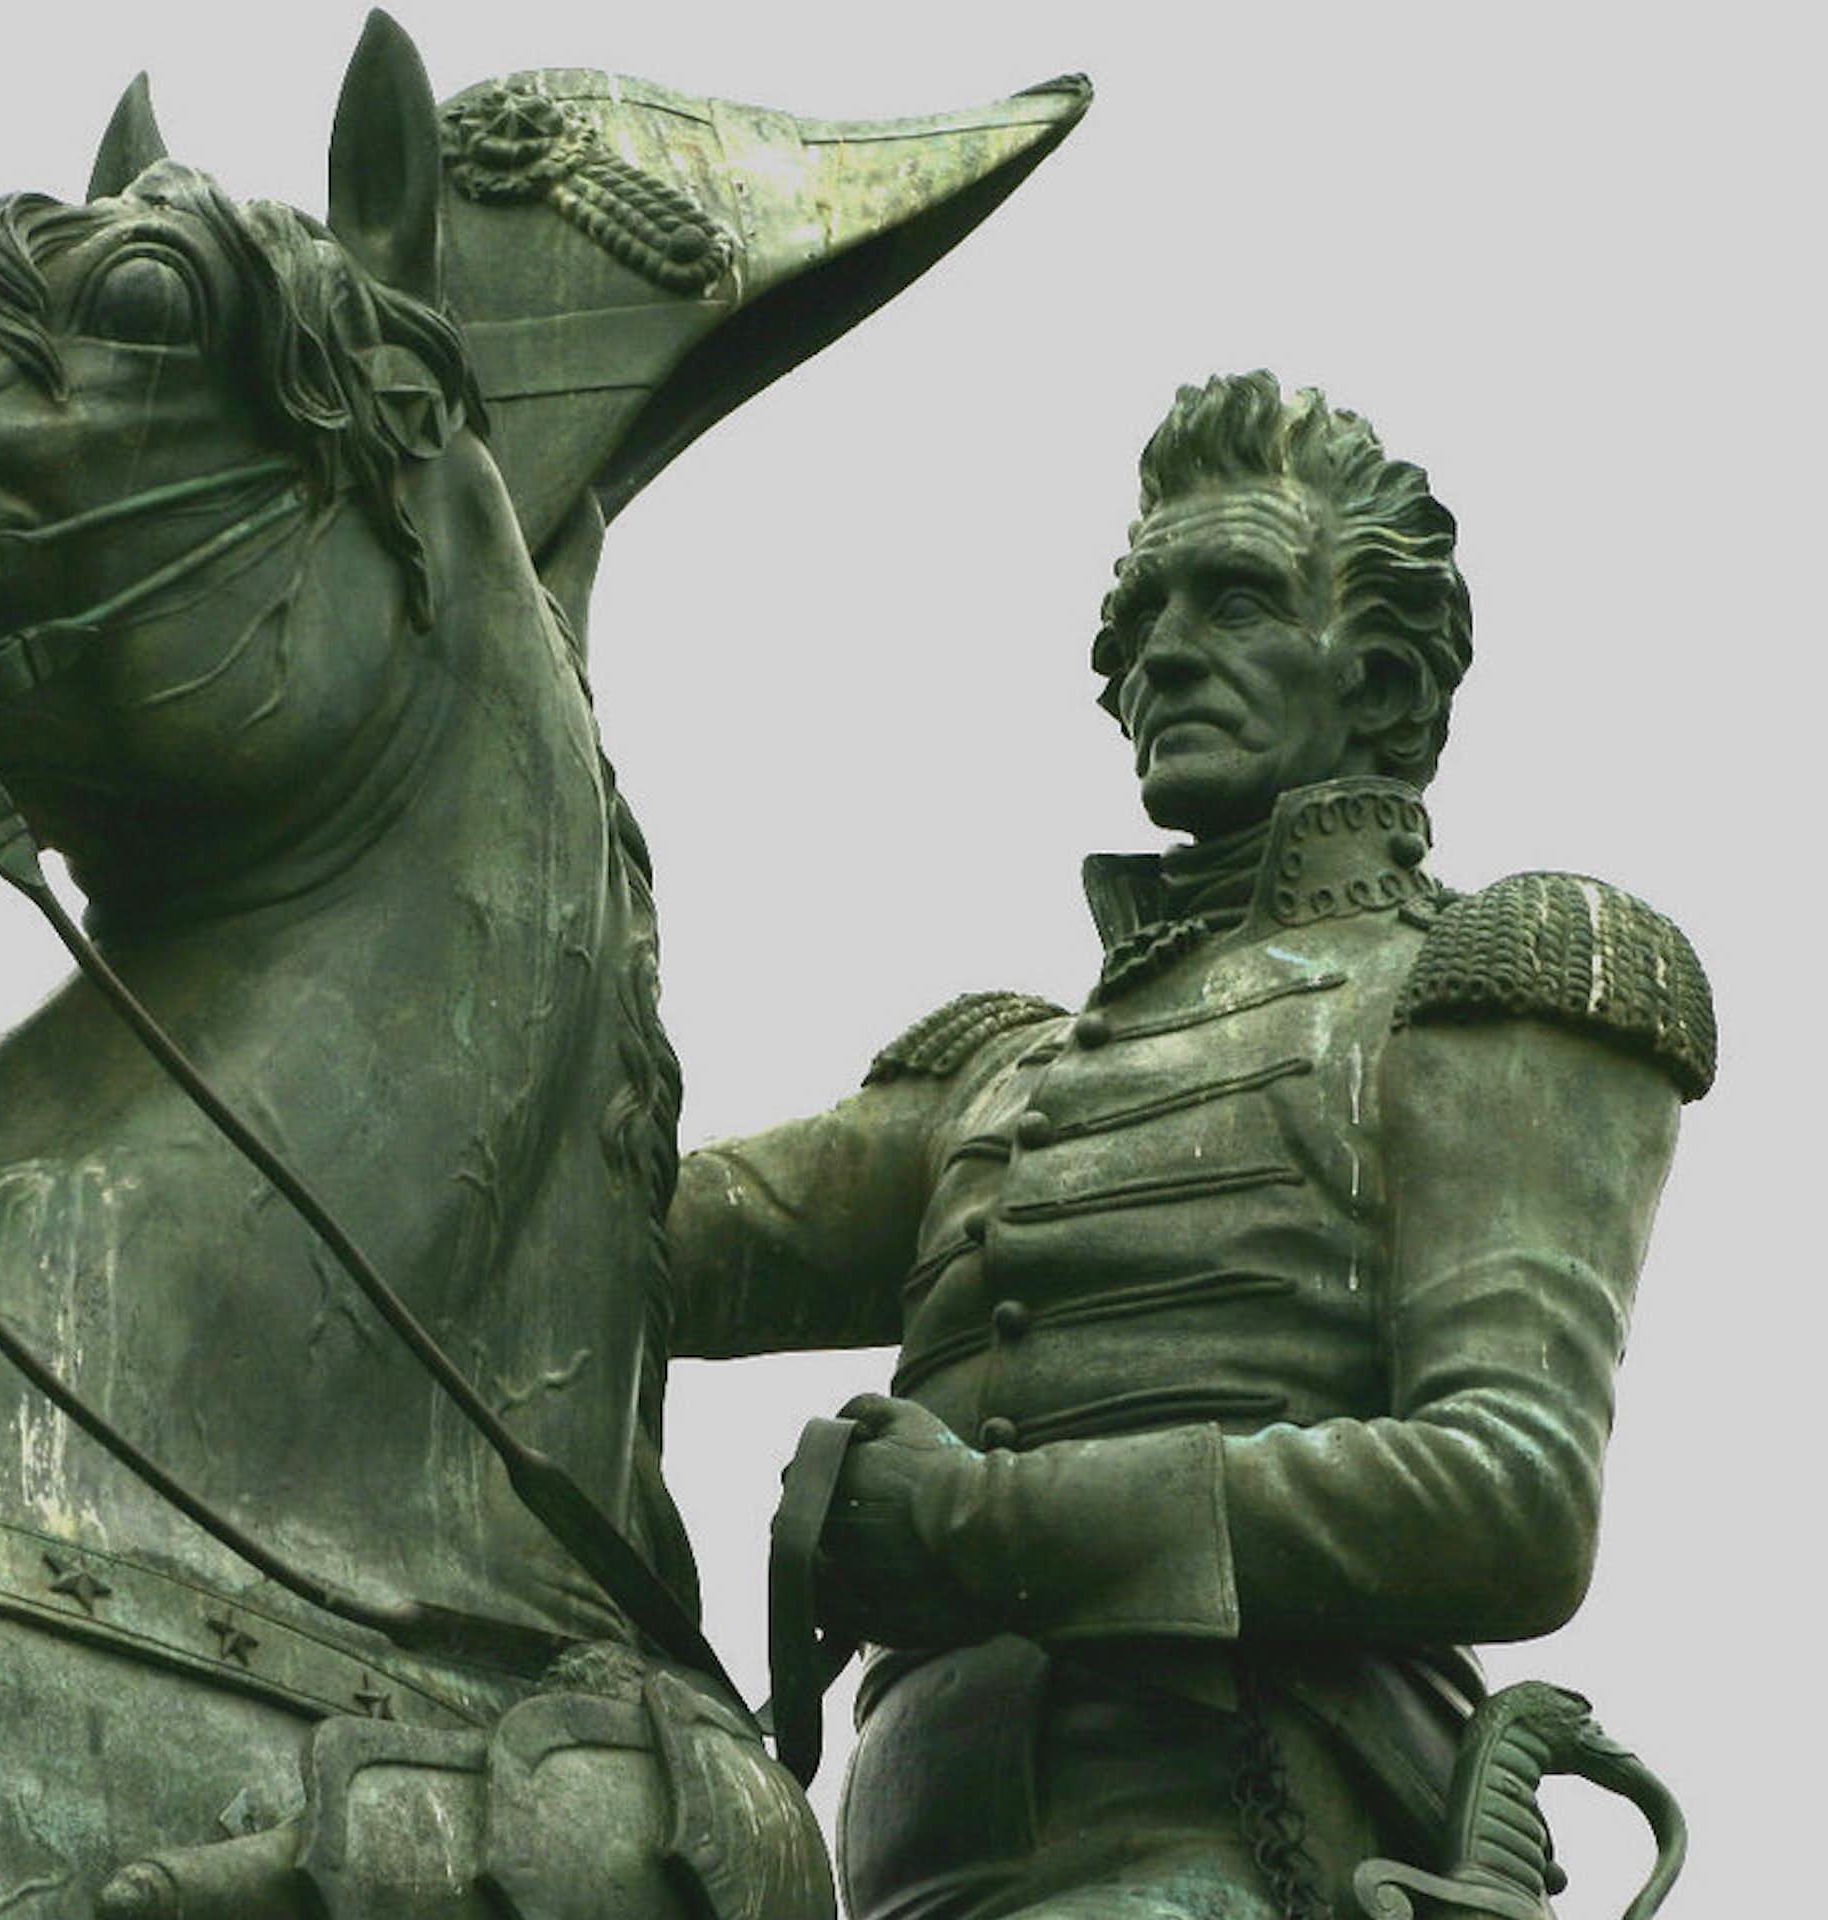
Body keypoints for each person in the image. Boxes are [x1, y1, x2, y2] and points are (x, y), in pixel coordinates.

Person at [664, 370, 1715, 1919]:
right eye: (1138, 615)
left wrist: (980, 1524)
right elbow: (604, 1242)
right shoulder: (1000, 1075)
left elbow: (1515, 1492)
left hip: (1247, 1839)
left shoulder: (1481, 988)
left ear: (1376, 670)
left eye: (1232, 598)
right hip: (891, 1865)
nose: (1158, 653)